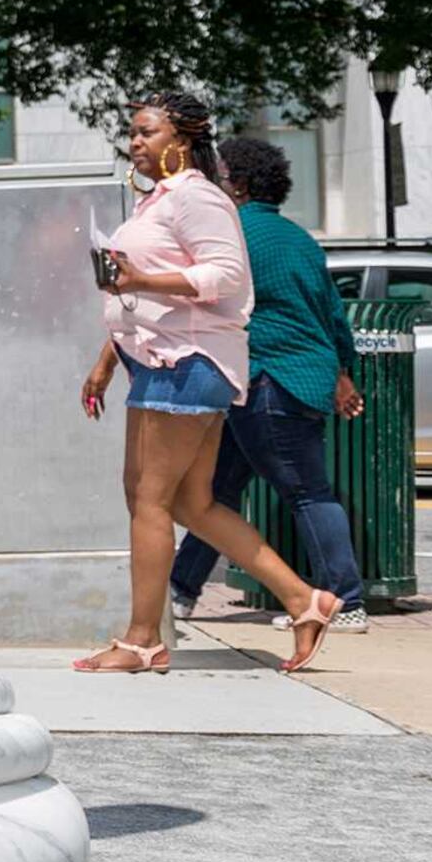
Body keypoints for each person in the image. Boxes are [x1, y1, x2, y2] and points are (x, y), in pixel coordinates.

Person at [72, 93, 344, 675]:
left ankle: (142, 639)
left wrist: (141, 275)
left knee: (147, 499)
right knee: (191, 502)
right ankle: (304, 599)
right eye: (133, 133)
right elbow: (135, 295)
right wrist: (108, 359)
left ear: (183, 140)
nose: (135, 142)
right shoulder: (159, 202)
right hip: (160, 358)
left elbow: (225, 277)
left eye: (147, 132)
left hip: (189, 362)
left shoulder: (197, 196)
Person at [166, 135, 370, 634]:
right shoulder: (299, 238)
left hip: (266, 378)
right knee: (215, 494)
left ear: (237, 184)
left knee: (307, 493)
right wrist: (344, 372)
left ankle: (345, 601)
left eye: (218, 174)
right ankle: (180, 592)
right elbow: (332, 313)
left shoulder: (233, 231)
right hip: (298, 377)